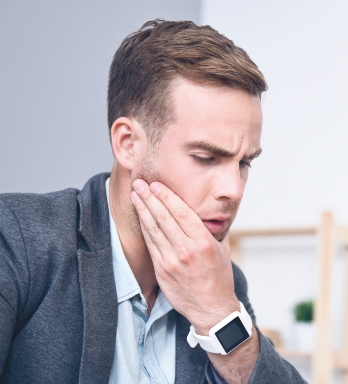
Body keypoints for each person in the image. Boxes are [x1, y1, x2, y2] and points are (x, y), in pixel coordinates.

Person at [0, 19, 306, 384]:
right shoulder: (18, 241)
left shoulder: (221, 282)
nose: (234, 190)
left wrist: (219, 315)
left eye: (244, 163)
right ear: (128, 144)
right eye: (206, 158)